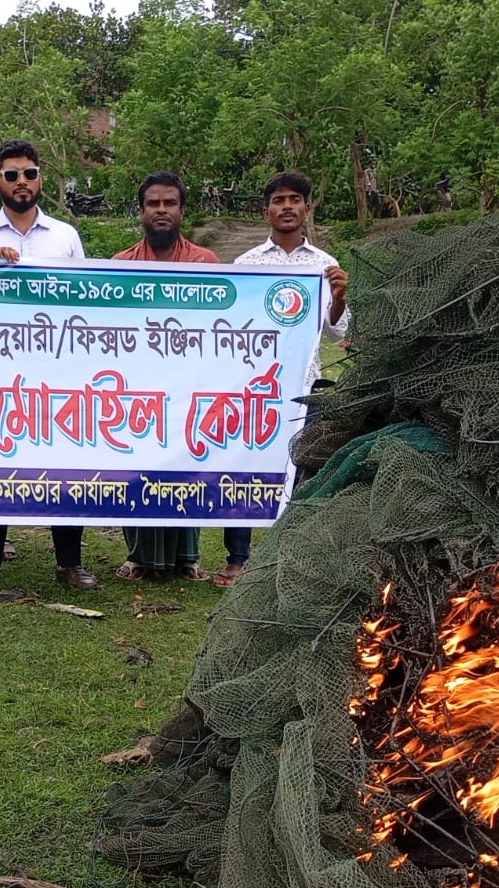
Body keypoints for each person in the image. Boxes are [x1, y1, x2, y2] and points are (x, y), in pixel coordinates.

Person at [0, 138, 99, 592]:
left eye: (30, 173)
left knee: (64, 463)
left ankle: (69, 562)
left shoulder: (65, 236)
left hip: (57, 370)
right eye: (12, 174)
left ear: (40, 179)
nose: (22, 182)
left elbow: (83, 300)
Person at [217, 170, 351, 589]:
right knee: (243, 466)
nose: (287, 206)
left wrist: (342, 294)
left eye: (295, 199)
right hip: (252, 386)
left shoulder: (324, 265)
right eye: (279, 200)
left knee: (298, 468)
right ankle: (238, 559)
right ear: (266, 210)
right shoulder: (246, 265)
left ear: (307, 208)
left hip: (301, 388)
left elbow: (338, 331)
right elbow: (232, 325)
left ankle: (285, 558)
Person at [112, 170, 217, 581]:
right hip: (136, 391)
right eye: (153, 204)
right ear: (141, 211)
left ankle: (188, 558)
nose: (161, 211)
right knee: (135, 468)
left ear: (181, 211)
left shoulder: (203, 263)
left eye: (169, 203)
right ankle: (137, 556)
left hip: (187, 388)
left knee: (185, 467)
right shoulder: (120, 265)